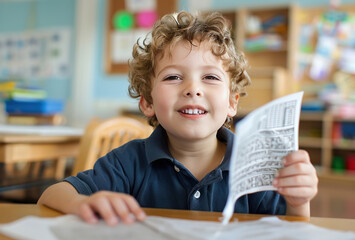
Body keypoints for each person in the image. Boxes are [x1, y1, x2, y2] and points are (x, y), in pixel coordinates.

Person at [38, 11, 318, 226]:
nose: (192, 89)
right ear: (147, 102)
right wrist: (84, 204)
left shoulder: (255, 164)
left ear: (232, 102)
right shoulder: (128, 162)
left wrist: (298, 201)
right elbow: (51, 195)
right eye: (173, 77)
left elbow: (289, 228)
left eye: (209, 77)